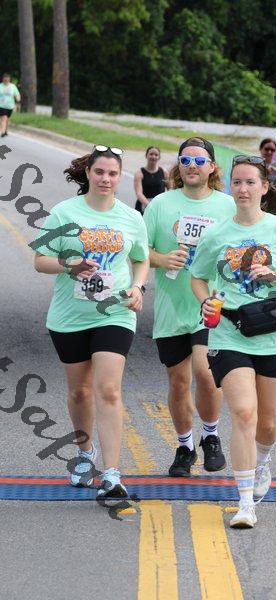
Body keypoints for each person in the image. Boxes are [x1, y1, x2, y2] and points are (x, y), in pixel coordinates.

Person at [191, 155, 276, 528]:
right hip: (229, 332)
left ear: (264, 187)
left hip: (274, 335)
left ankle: (263, 461)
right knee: (244, 413)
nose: (243, 189)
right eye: (237, 182)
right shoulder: (217, 234)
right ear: (230, 186)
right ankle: (245, 503)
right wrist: (206, 301)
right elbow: (198, 277)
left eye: (250, 182)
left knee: (268, 421)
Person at [34, 145, 149, 500]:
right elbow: (40, 260)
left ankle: (112, 474)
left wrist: (137, 286)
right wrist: (69, 265)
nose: (106, 179)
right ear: (88, 173)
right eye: (99, 172)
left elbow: (141, 258)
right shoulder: (64, 212)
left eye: (113, 174)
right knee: (80, 392)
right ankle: (85, 454)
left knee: (109, 389)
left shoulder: (131, 218)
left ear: (120, 177)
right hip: (70, 316)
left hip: (114, 312)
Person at [143, 137, 236, 477]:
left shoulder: (228, 206)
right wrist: (162, 258)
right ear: (178, 166)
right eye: (185, 160)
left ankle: (210, 436)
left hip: (209, 305)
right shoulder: (161, 204)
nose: (192, 166)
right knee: (178, 382)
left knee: (206, 373)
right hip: (171, 307)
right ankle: (185, 447)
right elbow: (140, 251)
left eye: (199, 160)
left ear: (212, 167)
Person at [134, 146, 168, 214]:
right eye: (151, 154)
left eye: (156, 155)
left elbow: (170, 189)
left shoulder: (164, 172)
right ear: (146, 155)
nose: (153, 156)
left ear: (159, 157)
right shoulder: (139, 173)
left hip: (159, 208)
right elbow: (139, 193)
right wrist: (151, 206)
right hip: (143, 207)